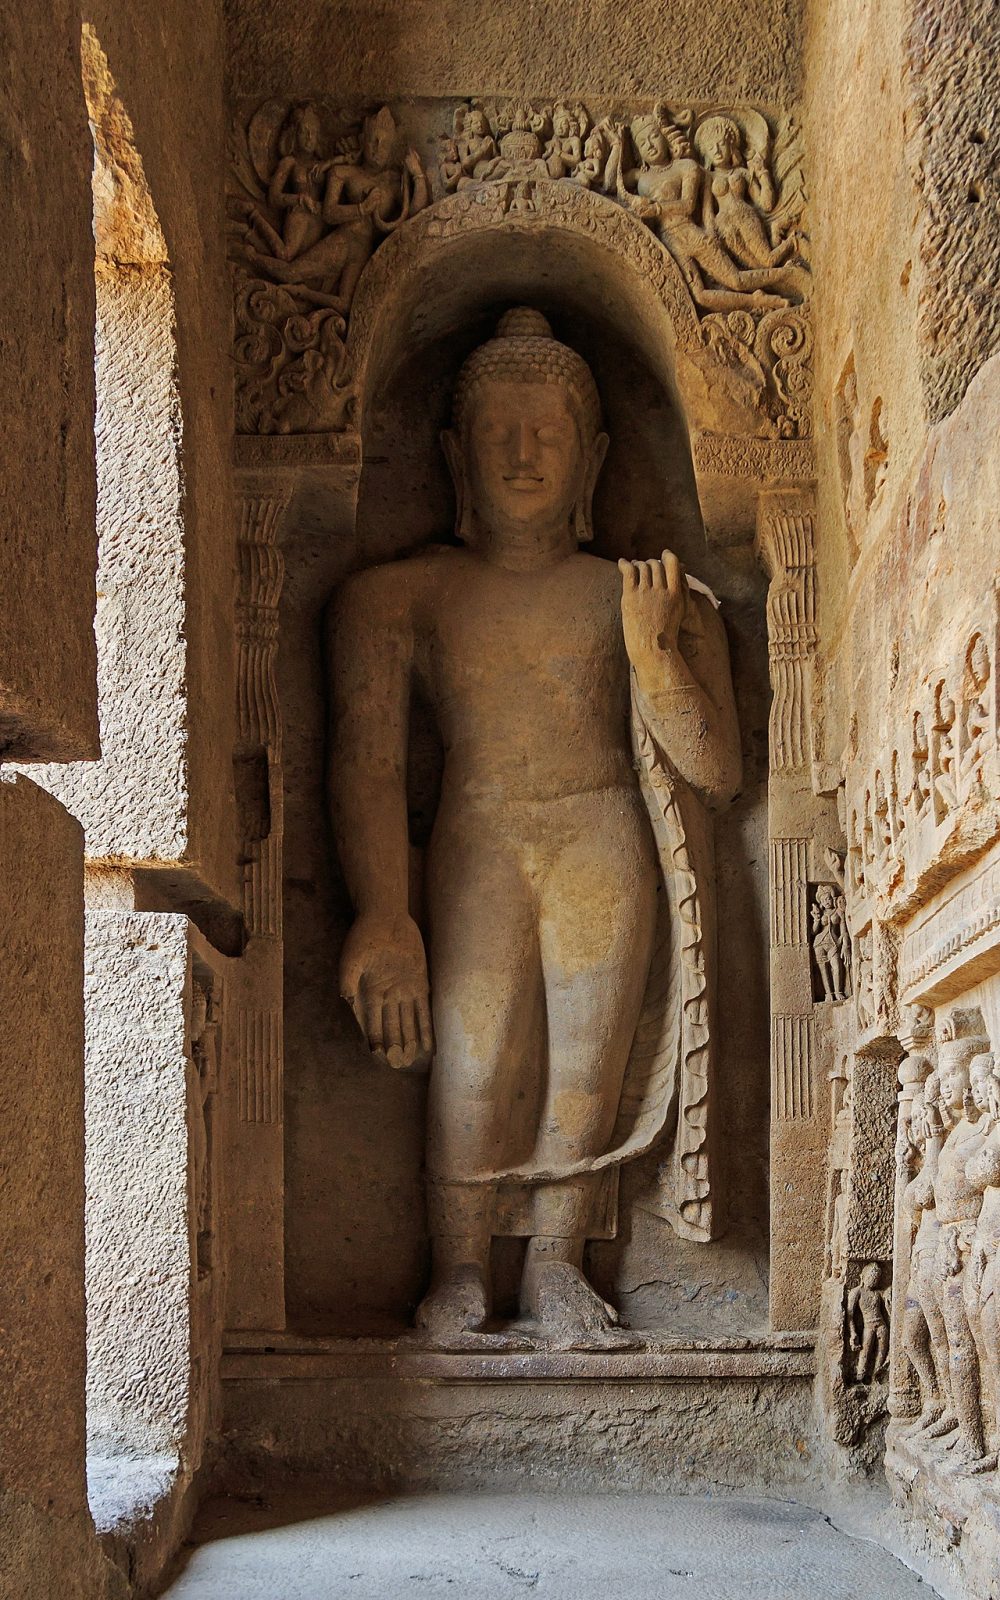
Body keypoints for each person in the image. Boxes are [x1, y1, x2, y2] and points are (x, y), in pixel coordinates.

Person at [329, 308, 740, 1343]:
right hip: (477, 837)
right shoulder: (401, 597)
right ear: (456, 454)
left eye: (547, 432)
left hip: (601, 834)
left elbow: (718, 769)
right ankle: (458, 1267)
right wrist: (384, 911)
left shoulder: (644, 595)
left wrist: (654, 656)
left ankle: (558, 1262)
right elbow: (369, 763)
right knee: (471, 1053)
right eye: (501, 432)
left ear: (590, 456)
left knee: (584, 1059)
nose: (523, 453)